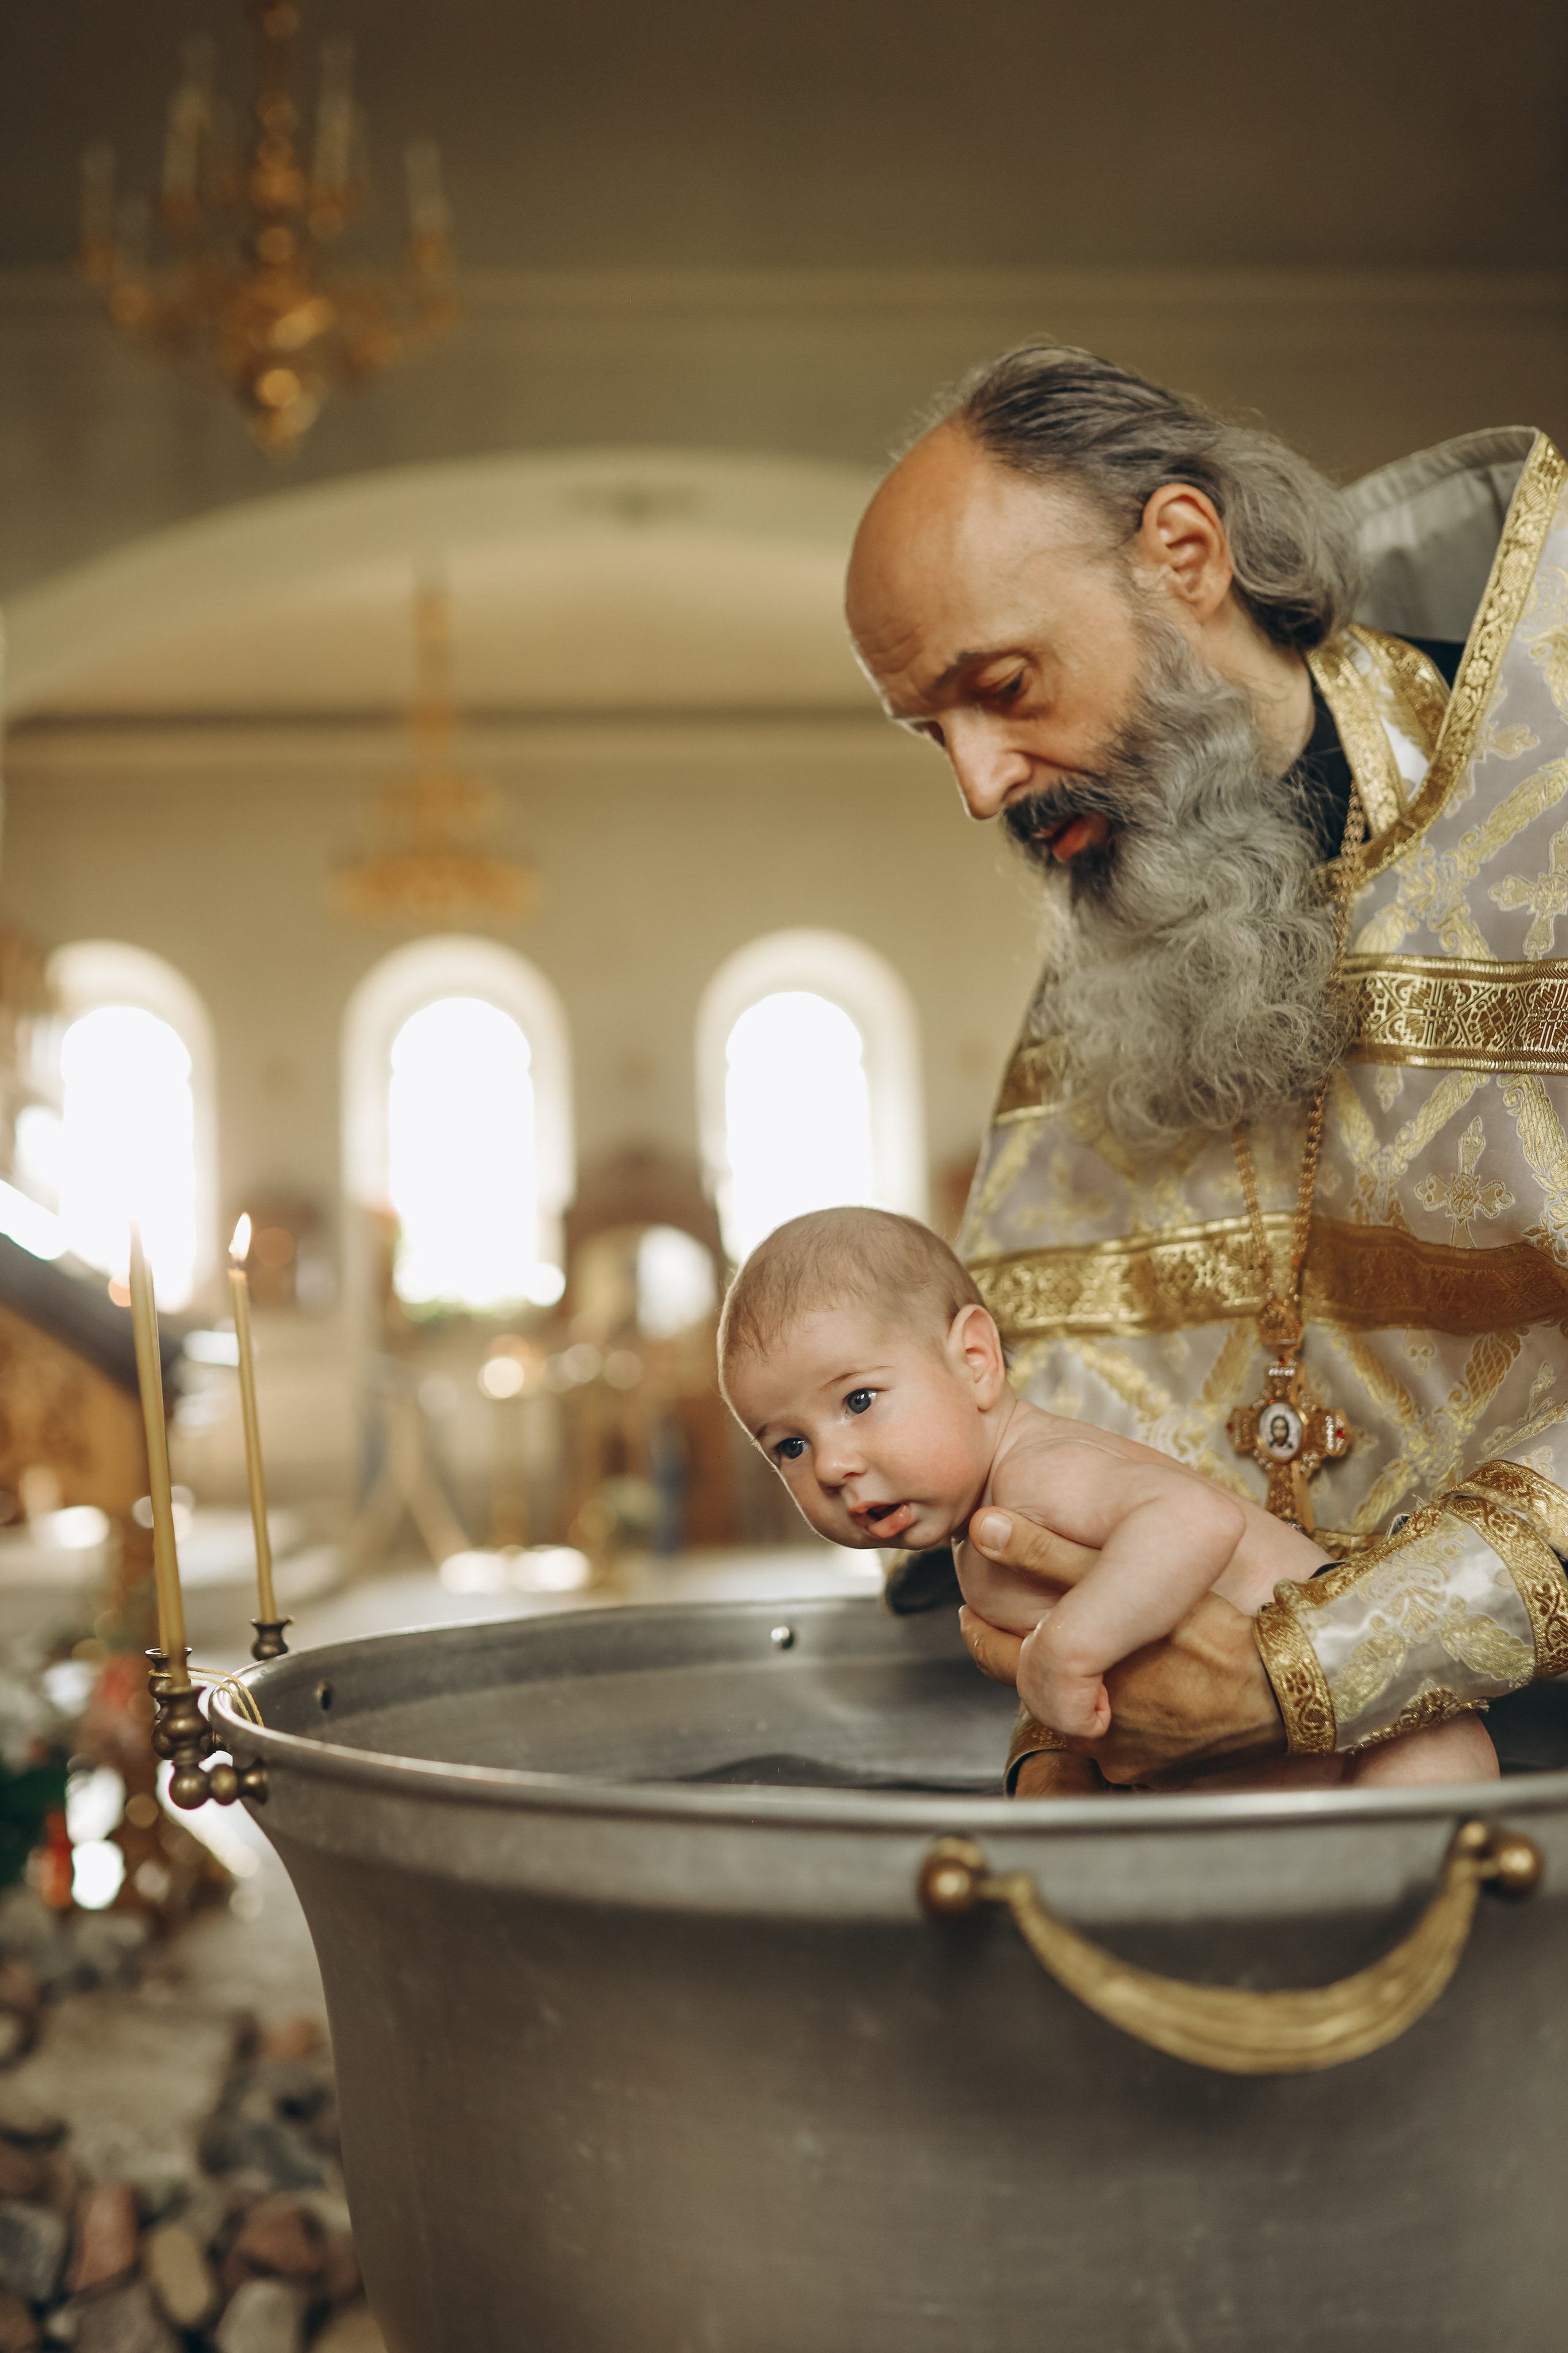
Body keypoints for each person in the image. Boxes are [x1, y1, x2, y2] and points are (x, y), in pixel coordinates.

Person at [845, 343, 1568, 1793]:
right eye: (934, 729)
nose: (979, 785)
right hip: (1198, 1788)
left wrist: (1320, 1657)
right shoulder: (1126, 901)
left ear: (1182, 554)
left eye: (1001, 687)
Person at [720, 1205, 1495, 1791]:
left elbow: (1197, 1520)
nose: (831, 1465)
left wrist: (1068, 1649)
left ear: (977, 1360)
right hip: (1272, 1793)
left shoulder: (1041, 1469)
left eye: (857, 1401)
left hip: (1383, 1745)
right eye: (788, 1445)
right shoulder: (978, 1518)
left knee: (1427, 1781)